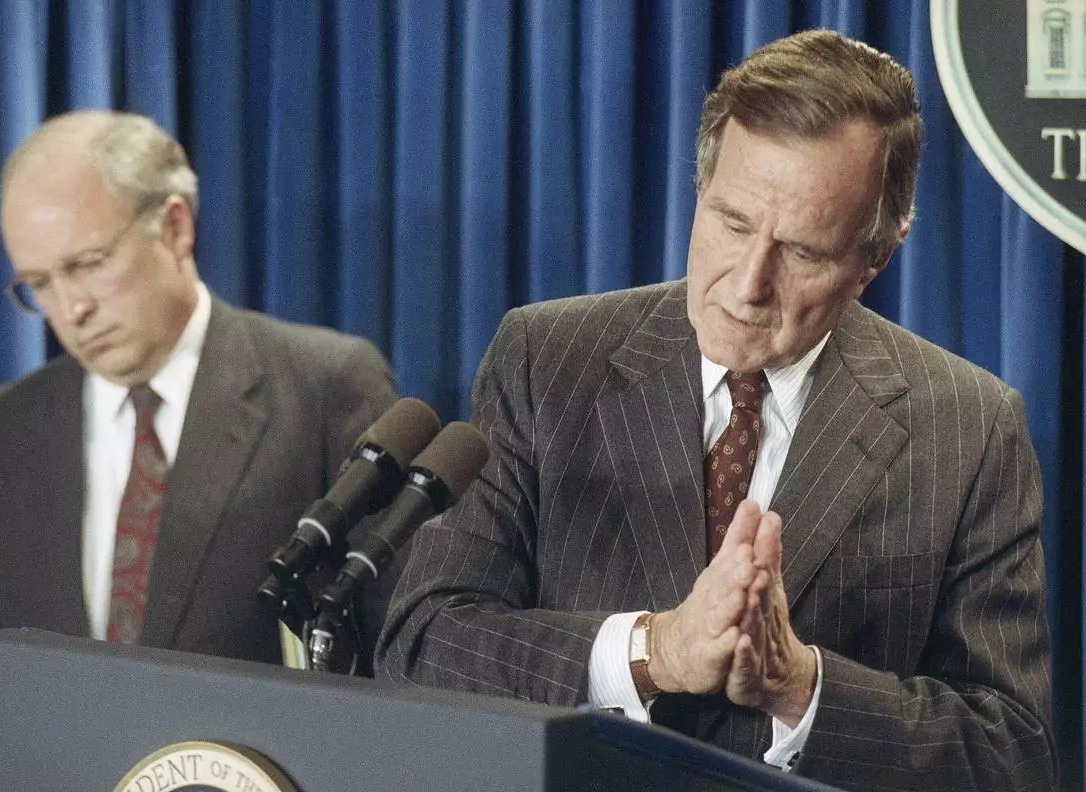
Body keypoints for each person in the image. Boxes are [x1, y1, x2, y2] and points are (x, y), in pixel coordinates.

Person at [377, 29, 1054, 791]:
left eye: (803, 251)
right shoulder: (549, 359)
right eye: (732, 223)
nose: (748, 283)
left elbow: (1011, 754)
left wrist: (800, 686)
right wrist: (656, 652)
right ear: (699, 192)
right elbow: (424, 643)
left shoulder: (966, 427)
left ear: (875, 259)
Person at [0, 110, 398, 768]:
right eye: (39, 285)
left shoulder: (324, 387)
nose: (70, 309)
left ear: (174, 226)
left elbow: (394, 652)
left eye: (88, 264)